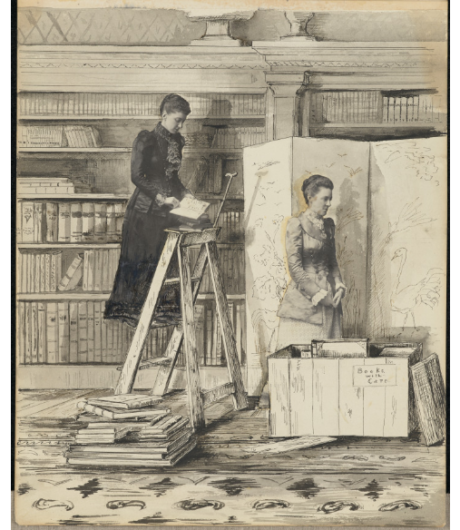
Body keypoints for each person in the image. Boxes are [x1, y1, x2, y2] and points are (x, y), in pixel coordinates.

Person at [104, 94, 195, 327]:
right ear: (164, 115)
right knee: (139, 260)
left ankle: (161, 313)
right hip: (143, 213)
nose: (181, 125)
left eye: (184, 120)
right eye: (177, 120)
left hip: (167, 213)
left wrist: (185, 193)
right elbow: (137, 176)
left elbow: (172, 177)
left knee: (162, 261)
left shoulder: (178, 142)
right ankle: (133, 313)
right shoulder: (146, 139)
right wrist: (160, 196)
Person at [275, 174, 346, 349]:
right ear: (311, 198)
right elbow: (295, 268)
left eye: (330, 198)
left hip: (330, 300)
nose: (329, 203)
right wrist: (319, 295)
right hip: (305, 300)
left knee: (329, 357)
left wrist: (338, 284)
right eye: (325, 199)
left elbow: (332, 262)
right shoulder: (296, 224)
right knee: (302, 356)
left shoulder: (328, 226)